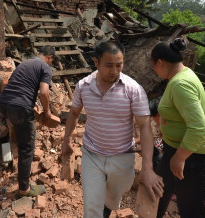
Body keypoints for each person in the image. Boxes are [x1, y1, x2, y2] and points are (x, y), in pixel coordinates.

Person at [61, 41, 163, 218]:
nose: (114, 71)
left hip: (122, 156)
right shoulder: (83, 86)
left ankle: (107, 207)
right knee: (92, 207)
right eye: (109, 65)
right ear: (96, 62)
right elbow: (74, 113)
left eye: (119, 65)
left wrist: (147, 167)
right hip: (92, 154)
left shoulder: (133, 89)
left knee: (114, 195)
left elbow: (145, 127)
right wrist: (66, 140)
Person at [151, 38, 205, 218]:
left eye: (154, 67)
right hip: (175, 150)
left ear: (159, 62)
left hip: (192, 157)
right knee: (160, 193)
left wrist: (180, 158)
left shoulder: (181, 84)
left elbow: (199, 128)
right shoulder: (180, 77)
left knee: (191, 208)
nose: (155, 71)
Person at [0, 45, 55, 197]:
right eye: (51, 61)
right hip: (19, 107)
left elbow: (20, 86)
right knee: (27, 147)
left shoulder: (25, 63)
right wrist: (47, 111)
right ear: (50, 58)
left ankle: (8, 160)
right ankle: (24, 188)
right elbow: (44, 92)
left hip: (4, 104)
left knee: (18, 131)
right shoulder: (45, 67)